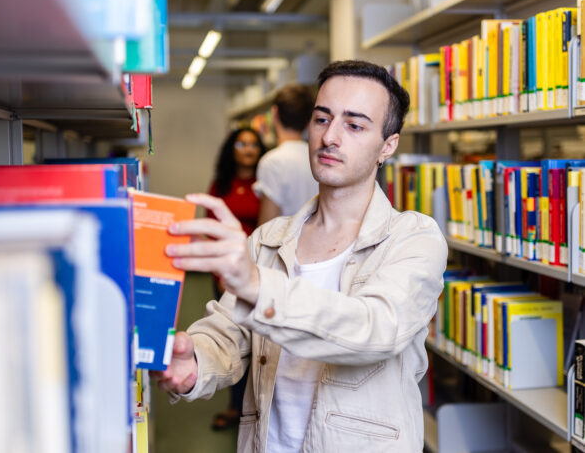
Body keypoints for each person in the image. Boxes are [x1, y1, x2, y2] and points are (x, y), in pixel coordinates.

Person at [152, 60, 448, 452]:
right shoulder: (269, 239)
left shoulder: (413, 238)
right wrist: (195, 363)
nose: (330, 137)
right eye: (322, 119)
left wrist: (259, 286)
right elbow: (228, 333)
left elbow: (376, 328)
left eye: (355, 125)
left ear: (387, 146)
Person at [206, 127, 266, 430]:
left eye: (254, 144)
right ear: (232, 148)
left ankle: (256, 406)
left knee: (259, 341)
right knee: (232, 335)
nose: (248, 149)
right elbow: (211, 228)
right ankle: (235, 406)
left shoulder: (266, 184)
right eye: (242, 143)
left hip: (260, 272)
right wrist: (220, 273)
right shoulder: (222, 185)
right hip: (224, 273)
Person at [253, 84, 318, 225]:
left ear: (274, 114)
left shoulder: (272, 162)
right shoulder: (319, 157)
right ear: (309, 121)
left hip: (284, 245)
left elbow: (267, 228)